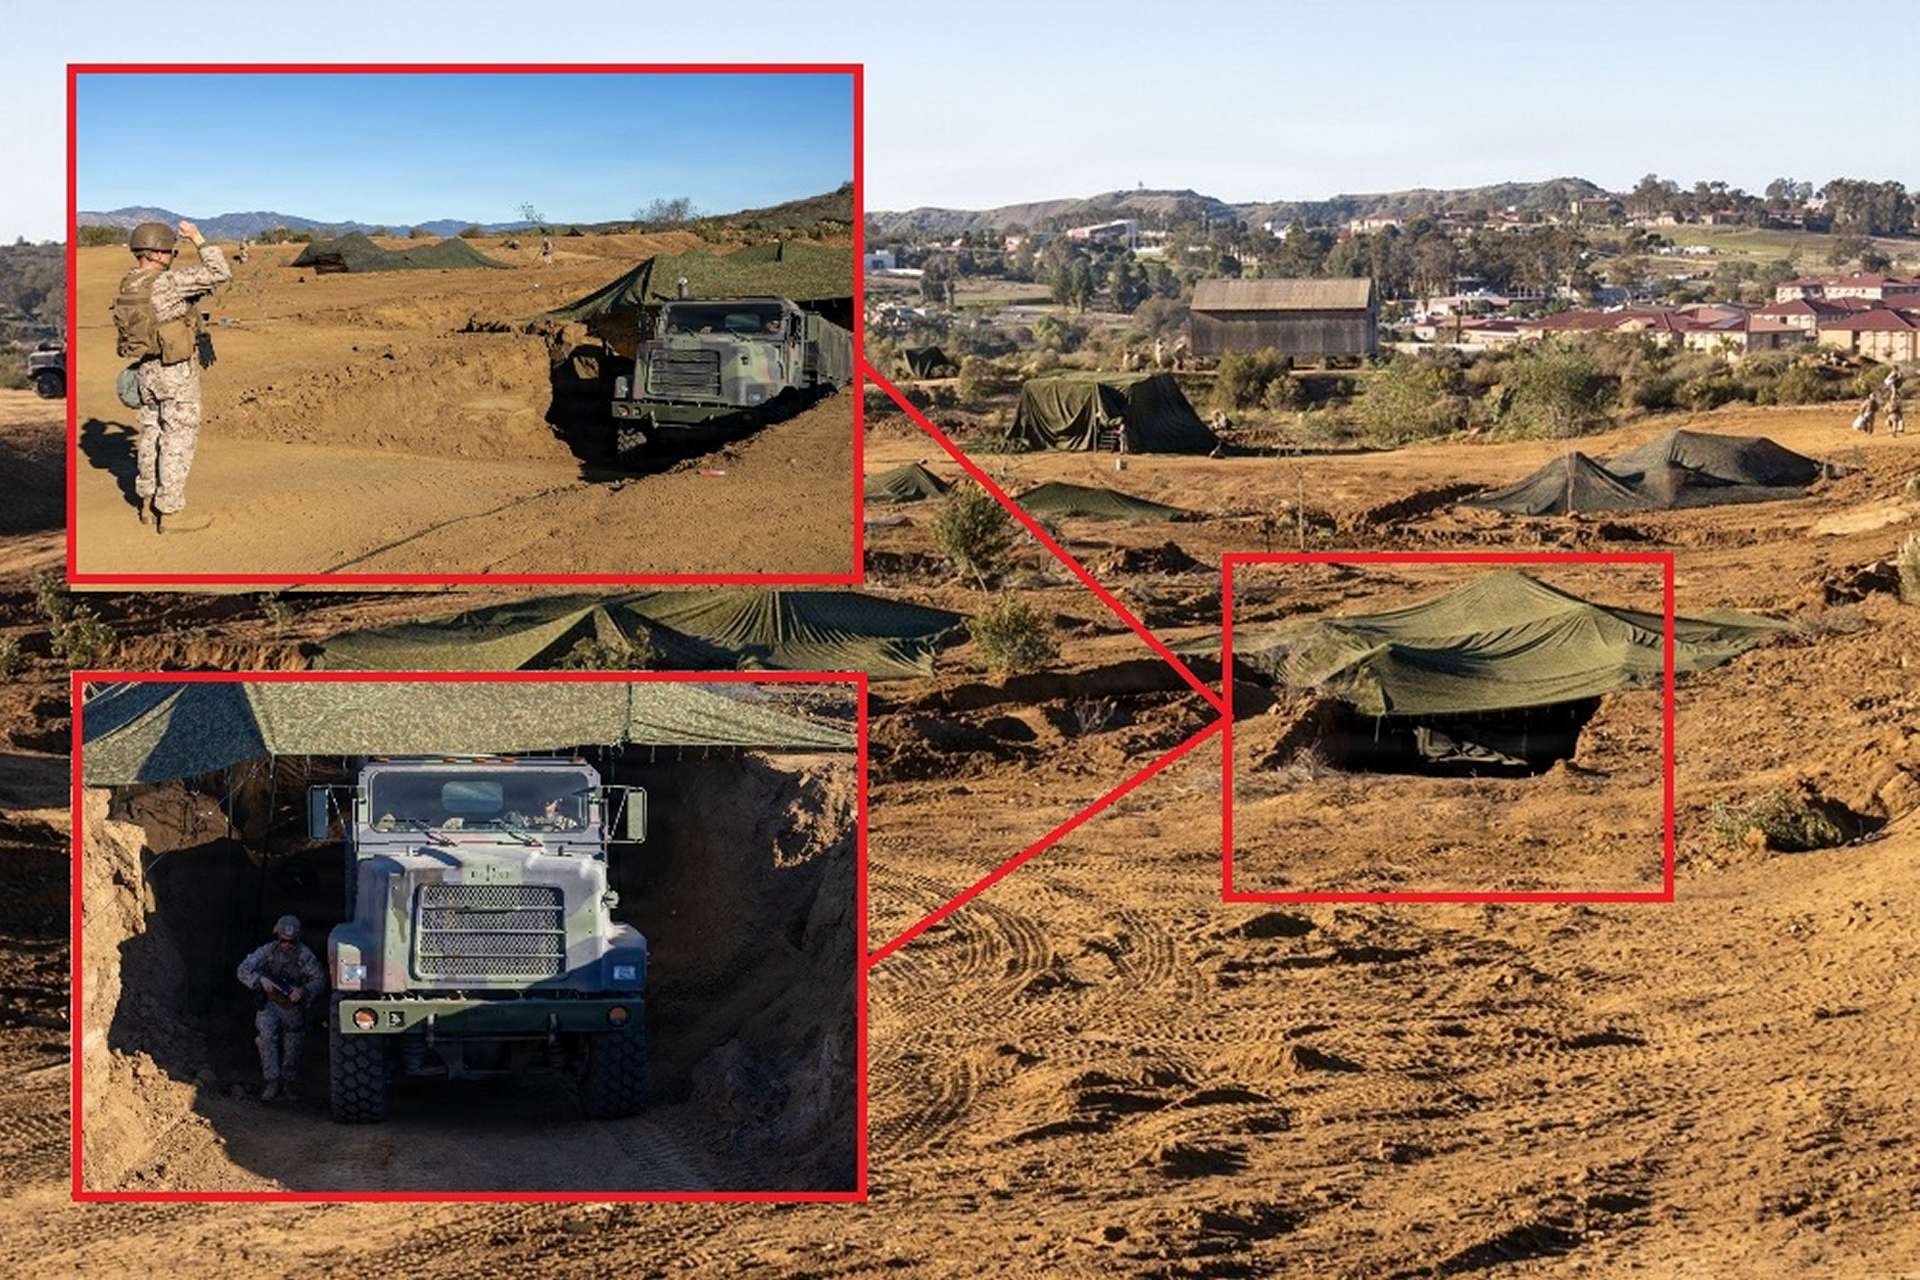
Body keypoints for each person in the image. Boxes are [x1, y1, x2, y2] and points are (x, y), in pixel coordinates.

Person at [111, 220, 231, 532]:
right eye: (171, 252)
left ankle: (147, 501)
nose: (172, 257)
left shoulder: (129, 282)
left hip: (146, 371)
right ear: (157, 253)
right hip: (174, 371)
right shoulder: (168, 283)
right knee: (177, 438)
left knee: (151, 434)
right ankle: (172, 512)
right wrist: (197, 238)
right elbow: (220, 272)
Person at [236, 915, 325, 1102]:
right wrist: (260, 980)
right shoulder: (268, 951)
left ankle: (288, 1083)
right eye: (283, 940)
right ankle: (272, 1081)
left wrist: (303, 991)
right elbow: (243, 969)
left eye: (291, 942)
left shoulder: (304, 956)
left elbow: (320, 980)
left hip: (292, 1007)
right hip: (270, 1003)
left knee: (293, 1045)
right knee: (266, 1039)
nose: (286, 945)